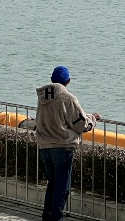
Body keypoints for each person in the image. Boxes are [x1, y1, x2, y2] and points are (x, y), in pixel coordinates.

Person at [35, 66, 101, 221]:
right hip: (62, 148)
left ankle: (47, 216)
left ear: (52, 80)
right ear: (68, 81)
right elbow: (80, 125)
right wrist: (93, 118)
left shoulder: (42, 97)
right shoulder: (68, 98)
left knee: (52, 184)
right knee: (62, 187)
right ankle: (56, 218)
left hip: (44, 147)